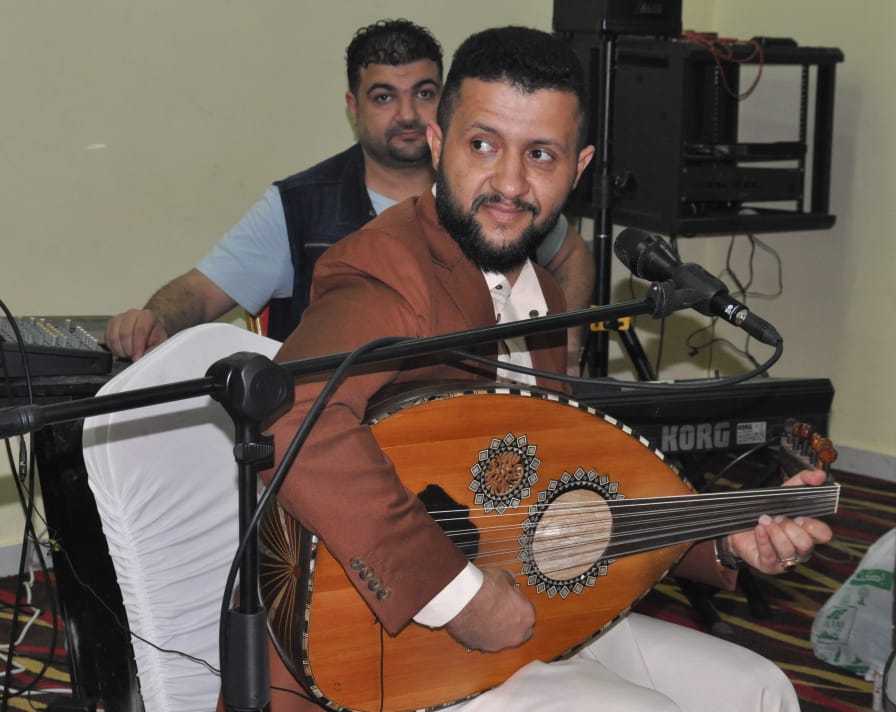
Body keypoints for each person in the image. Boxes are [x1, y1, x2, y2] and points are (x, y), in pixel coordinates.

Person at [261, 25, 832, 712]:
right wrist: (459, 596)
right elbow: (289, 415)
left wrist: (728, 541)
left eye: (540, 154)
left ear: (579, 167)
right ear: (438, 144)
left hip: (532, 610)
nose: (510, 183)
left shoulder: (546, 299)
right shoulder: (391, 268)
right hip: (395, 647)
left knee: (760, 690)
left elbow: (563, 496)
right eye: (483, 145)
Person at [106, 19, 594, 365]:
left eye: (424, 93)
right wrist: (154, 320)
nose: (408, 114)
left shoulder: (503, 202)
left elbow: (572, 256)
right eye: (384, 97)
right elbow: (200, 291)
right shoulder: (297, 208)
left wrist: (562, 349)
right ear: (353, 107)